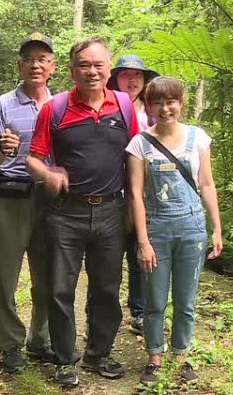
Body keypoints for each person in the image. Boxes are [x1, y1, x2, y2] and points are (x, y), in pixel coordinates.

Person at [26, 37, 139, 387]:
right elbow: (33, 157)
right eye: (84, 65)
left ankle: (99, 354)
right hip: (65, 213)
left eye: (98, 65)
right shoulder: (55, 108)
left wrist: (136, 208)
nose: (92, 72)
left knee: (106, 287)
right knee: (61, 288)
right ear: (72, 69)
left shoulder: (122, 106)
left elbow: (136, 156)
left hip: (111, 211)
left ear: (109, 69)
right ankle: (65, 359)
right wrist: (48, 174)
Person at [125, 76, 223, 386]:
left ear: (180, 103)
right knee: (154, 298)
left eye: (171, 101)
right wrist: (143, 241)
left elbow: (207, 185)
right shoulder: (139, 143)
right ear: (149, 106)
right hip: (157, 230)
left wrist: (217, 227)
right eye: (157, 102)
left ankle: (181, 355)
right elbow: (136, 195)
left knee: (186, 298)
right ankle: (154, 357)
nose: (165, 108)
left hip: (192, 229)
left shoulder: (198, 138)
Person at [0, 33, 56, 373]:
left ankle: (40, 339)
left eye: (42, 58)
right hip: (11, 197)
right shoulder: (2, 105)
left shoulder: (62, 106)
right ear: (19, 65)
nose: (35, 64)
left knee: (47, 276)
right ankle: (10, 344)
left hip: (49, 200)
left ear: (53, 67)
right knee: (7, 277)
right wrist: (4, 148)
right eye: (29, 58)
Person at [106, 55, 159, 335]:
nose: (133, 80)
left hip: (145, 195)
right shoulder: (108, 106)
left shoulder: (152, 112)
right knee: (111, 257)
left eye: (138, 75)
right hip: (114, 193)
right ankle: (105, 313)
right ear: (115, 78)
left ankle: (139, 311)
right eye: (126, 75)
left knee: (141, 253)